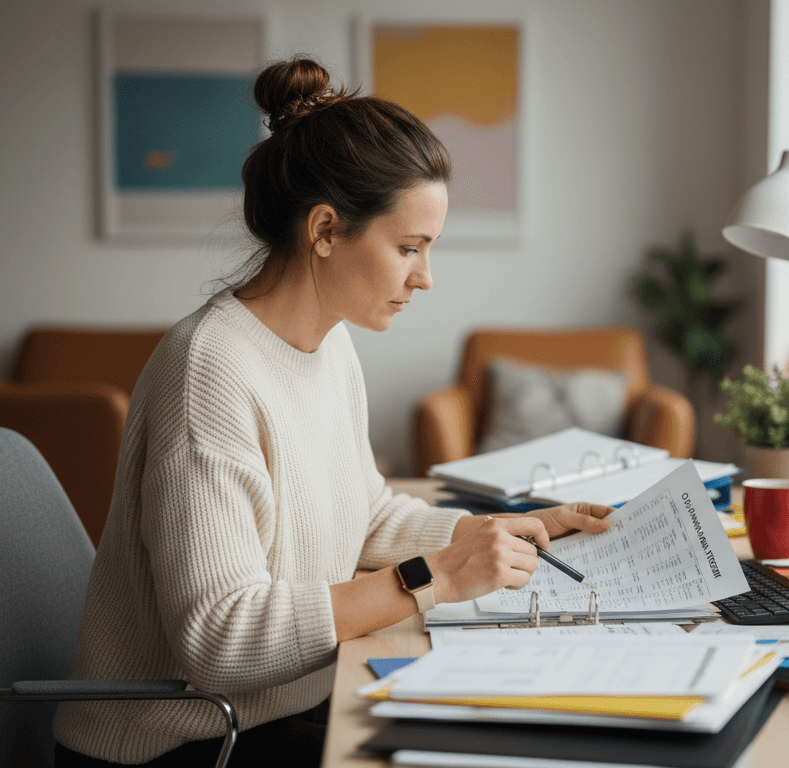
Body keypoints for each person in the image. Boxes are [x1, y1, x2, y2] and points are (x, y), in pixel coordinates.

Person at [52, 57, 612, 766]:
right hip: (186, 743)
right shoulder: (210, 371)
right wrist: (435, 575)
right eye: (408, 247)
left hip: (282, 708)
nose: (426, 277)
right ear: (323, 229)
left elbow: (364, 513)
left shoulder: (330, 344)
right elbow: (221, 638)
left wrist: (495, 531)